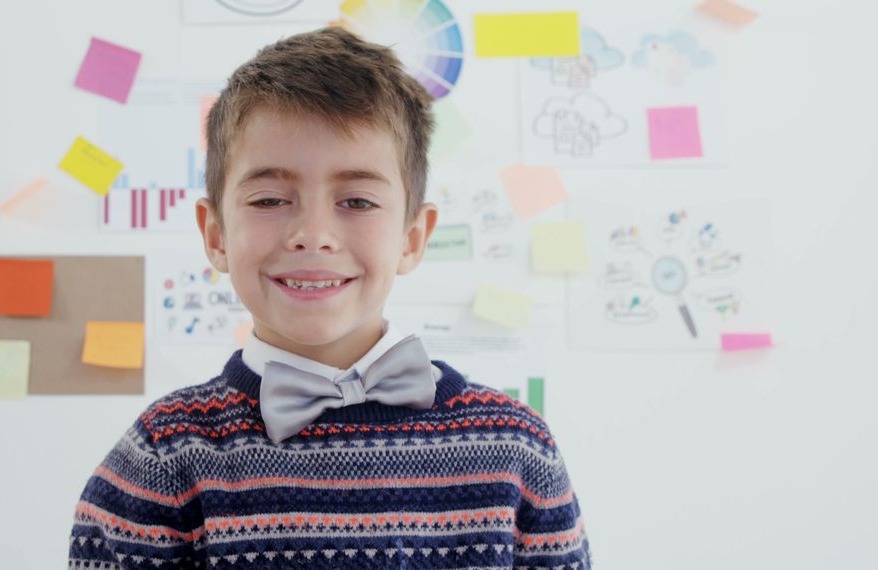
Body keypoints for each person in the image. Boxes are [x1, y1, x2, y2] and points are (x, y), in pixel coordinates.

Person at [68, 26, 590, 569]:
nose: (313, 233)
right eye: (269, 199)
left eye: (357, 202)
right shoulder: (161, 458)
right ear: (216, 234)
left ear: (413, 238)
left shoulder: (515, 446)